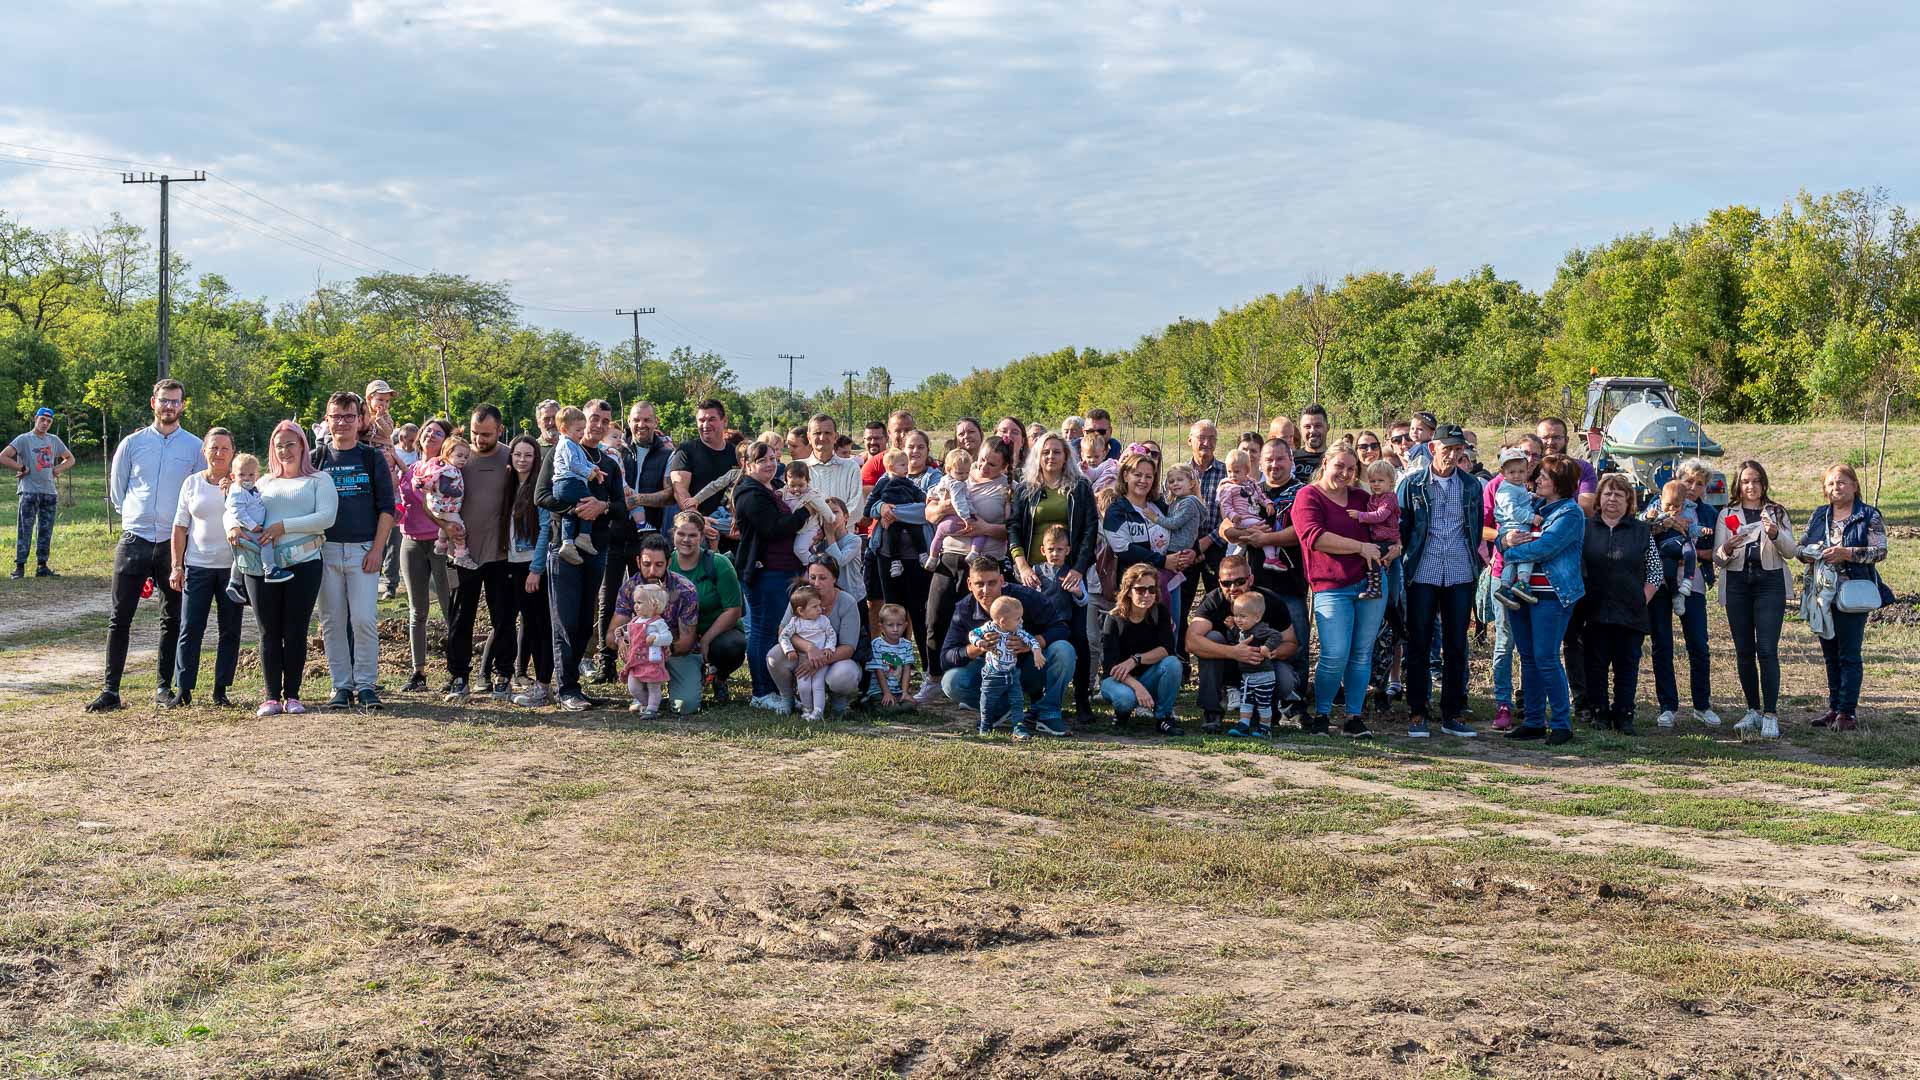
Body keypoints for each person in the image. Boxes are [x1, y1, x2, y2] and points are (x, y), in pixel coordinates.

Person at [90, 379, 204, 713]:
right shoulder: (131, 444)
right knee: (119, 617)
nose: (169, 406)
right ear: (153, 402)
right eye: (164, 400)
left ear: (183, 405)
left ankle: (163, 688)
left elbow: (198, 492)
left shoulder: (195, 447)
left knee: (172, 618)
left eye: (175, 401)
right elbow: (117, 491)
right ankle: (110, 690)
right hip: (134, 540)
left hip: (173, 543)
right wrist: (136, 517)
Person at [1291, 446, 1395, 738]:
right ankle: (1323, 713)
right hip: (1331, 587)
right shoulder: (1308, 496)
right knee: (1335, 653)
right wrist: (1360, 547)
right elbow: (1315, 538)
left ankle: (1353, 716)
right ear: (1325, 463)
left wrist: (1395, 546)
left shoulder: (1361, 497)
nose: (1345, 473)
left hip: (1371, 581)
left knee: (1361, 653)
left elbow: (1386, 525)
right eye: (1340, 466)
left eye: (1351, 469)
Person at [533, 400, 627, 712]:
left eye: (605, 421)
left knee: (586, 622)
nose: (598, 425)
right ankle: (566, 689)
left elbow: (621, 508)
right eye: (593, 419)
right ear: (581, 421)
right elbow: (541, 496)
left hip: (596, 548)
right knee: (566, 621)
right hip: (563, 548)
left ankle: (575, 686)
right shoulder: (560, 452)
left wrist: (603, 507)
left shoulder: (609, 463)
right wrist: (575, 509)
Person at [1394, 424, 1483, 738]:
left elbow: (1475, 528)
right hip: (1423, 571)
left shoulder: (1471, 486)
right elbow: (1403, 529)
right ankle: (1418, 711)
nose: (1453, 455)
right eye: (1447, 449)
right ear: (1433, 449)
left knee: (1456, 644)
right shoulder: (1412, 485)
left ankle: (1452, 712)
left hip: (1459, 572)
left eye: (1458, 450)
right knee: (1418, 642)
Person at [243, 421, 337, 717]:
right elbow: (237, 506)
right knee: (268, 630)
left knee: (296, 629)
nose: (285, 451)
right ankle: (271, 696)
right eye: (279, 445)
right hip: (263, 566)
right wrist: (232, 526)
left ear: (303, 446)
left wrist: (284, 526)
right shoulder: (263, 483)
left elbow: (326, 517)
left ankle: (293, 695)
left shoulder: (319, 480)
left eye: (290, 444)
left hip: (304, 563)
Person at [310, 391, 397, 711]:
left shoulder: (371, 457)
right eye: (336, 416)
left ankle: (366, 685)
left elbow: (387, 509)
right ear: (327, 420)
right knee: (332, 622)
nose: (342, 422)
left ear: (360, 420)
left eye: (349, 416)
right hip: (326, 550)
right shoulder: (316, 458)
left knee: (363, 619)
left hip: (363, 551)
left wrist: (377, 550)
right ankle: (341, 686)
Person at [1495, 454, 1587, 744]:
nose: (1537, 480)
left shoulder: (1570, 513)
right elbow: (1502, 533)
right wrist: (1504, 541)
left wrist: (1508, 551)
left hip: (1551, 595)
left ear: (1559, 482)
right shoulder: (1533, 506)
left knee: (1546, 657)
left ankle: (1561, 724)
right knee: (1528, 658)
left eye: (1544, 476)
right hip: (1521, 593)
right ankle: (1534, 721)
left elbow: (1545, 548)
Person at [1219, 439, 1310, 720]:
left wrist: (1266, 539)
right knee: (1252, 642)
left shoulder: (1302, 492)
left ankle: (1295, 703)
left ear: (1291, 460)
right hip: (1255, 586)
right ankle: (1258, 701)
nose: (1274, 465)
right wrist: (1241, 535)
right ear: (1259, 462)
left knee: (1295, 644)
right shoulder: (1249, 488)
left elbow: (1301, 531)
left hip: (1290, 583)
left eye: (1280, 459)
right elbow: (1225, 525)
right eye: (1268, 460)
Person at [1008, 433, 1096, 718]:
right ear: (1037, 455)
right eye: (1045, 451)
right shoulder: (1026, 488)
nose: (1051, 457)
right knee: (1034, 632)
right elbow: (1013, 527)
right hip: (1034, 575)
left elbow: (1089, 530)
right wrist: (1021, 565)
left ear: (1066, 456)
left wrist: (1078, 568)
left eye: (1057, 452)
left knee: (1078, 635)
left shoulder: (1079, 487)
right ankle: (1037, 697)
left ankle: (1081, 699)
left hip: (1069, 573)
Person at [939, 555, 1073, 737]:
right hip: (992, 673)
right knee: (951, 682)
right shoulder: (964, 609)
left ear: (1002, 581)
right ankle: (1000, 709)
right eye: (979, 584)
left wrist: (1031, 643)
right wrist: (979, 647)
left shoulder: (1026, 597)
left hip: (1029, 668)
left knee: (1064, 650)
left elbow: (1061, 628)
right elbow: (946, 657)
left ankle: (1048, 713)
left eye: (992, 583)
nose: (986, 590)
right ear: (969, 584)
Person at [1799, 463, 1889, 733]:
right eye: (1830, 484)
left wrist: (1847, 553)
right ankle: (1834, 708)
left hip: (1853, 592)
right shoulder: (1819, 515)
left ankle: (1847, 712)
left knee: (1849, 654)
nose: (1835, 488)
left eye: (1841, 482)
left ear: (1854, 485)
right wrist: (1809, 553)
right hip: (1821, 594)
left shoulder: (1868, 515)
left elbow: (1880, 551)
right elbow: (1800, 547)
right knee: (1830, 654)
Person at [1712, 461, 1796, 738]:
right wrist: (1727, 547)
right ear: (1738, 484)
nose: (1751, 486)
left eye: (1756, 480)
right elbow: (1718, 559)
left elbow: (1791, 551)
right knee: (1744, 651)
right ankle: (1753, 710)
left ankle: (1771, 714)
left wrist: (1774, 533)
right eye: (1746, 481)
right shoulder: (1726, 513)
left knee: (1767, 649)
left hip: (1769, 582)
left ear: (1764, 483)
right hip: (1737, 584)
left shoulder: (1776, 512)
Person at [1579, 473, 1664, 736]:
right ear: (1599, 499)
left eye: (1619, 494)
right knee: (1595, 666)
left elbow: (1655, 571)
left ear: (1629, 501)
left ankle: (1624, 714)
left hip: (1631, 613)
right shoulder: (1584, 529)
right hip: (1593, 610)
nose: (1612, 499)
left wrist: (1642, 598)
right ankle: (1599, 713)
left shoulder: (1641, 531)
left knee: (1627, 667)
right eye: (1607, 493)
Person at [734, 441, 817, 708]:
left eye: (773, 458)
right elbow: (774, 528)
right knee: (764, 630)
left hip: (785, 570)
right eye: (762, 460)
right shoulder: (751, 494)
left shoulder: (773, 488)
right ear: (748, 465)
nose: (770, 464)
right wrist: (806, 512)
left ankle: (780, 688)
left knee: (777, 630)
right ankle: (761, 692)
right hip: (766, 573)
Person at [165, 427, 243, 708]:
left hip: (232, 569)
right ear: (204, 451)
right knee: (190, 628)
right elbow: (179, 527)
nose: (219, 453)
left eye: (224, 448)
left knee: (230, 630)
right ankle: (183, 689)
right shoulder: (191, 484)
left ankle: (221, 690)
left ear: (232, 452)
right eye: (213, 448)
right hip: (197, 567)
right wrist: (177, 565)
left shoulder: (241, 484)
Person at [924, 437, 1013, 684]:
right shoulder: (958, 473)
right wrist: (945, 508)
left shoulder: (1007, 488)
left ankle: (969, 681)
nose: (983, 467)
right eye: (981, 460)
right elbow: (929, 513)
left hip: (983, 562)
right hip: (949, 555)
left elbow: (1013, 530)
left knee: (972, 624)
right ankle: (933, 676)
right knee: (935, 617)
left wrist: (985, 528)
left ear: (1004, 466)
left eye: (992, 465)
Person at [477, 436, 554, 704]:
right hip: (508, 563)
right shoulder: (508, 485)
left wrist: (536, 569)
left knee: (538, 626)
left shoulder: (538, 487)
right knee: (505, 621)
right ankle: (496, 675)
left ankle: (543, 684)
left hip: (530, 564)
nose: (522, 460)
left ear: (536, 458)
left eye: (528, 455)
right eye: (517, 454)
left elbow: (545, 529)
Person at [1185, 553, 1299, 732]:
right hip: (1227, 665)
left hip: (1260, 665)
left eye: (1239, 582)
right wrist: (1234, 652)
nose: (1233, 588)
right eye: (1226, 583)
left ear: (1250, 579)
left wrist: (1267, 651)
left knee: (1286, 679)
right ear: (1219, 582)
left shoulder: (1269, 601)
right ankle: (1212, 711)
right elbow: (1191, 642)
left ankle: (1265, 711)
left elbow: (1291, 643)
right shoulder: (1213, 600)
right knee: (1211, 638)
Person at [868, 430, 944, 696]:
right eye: (911, 447)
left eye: (921, 447)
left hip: (918, 559)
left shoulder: (933, 478)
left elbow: (928, 512)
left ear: (927, 450)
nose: (915, 452)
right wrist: (881, 508)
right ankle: (893, 677)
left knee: (921, 616)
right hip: (888, 558)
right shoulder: (886, 477)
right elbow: (872, 507)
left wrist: (892, 511)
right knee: (892, 615)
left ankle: (930, 674)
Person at [663, 512, 746, 709]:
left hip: (715, 632)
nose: (686, 540)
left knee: (733, 646)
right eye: (681, 534)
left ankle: (719, 676)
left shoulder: (718, 563)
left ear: (701, 536)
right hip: (678, 635)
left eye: (692, 535)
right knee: (685, 704)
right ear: (673, 534)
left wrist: (706, 640)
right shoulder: (665, 563)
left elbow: (734, 610)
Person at [396, 419, 453, 693]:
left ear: (446, 440)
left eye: (438, 433)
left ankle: (457, 671)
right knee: (417, 611)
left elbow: (428, 499)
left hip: (439, 542)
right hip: (411, 541)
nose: (431, 435)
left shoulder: (447, 468)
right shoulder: (411, 468)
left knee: (449, 608)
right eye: (428, 430)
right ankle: (418, 672)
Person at [767, 556, 864, 715]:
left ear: (834, 578)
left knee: (845, 674)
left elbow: (848, 648)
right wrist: (809, 647)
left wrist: (816, 661)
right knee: (774, 656)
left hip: (835, 658)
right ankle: (788, 699)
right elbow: (782, 631)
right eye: (812, 577)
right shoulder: (802, 595)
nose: (816, 583)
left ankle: (839, 700)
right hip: (802, 655)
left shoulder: (847, 602)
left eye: (822, 578)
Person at [4, 406, 73, 578]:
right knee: (25, 529)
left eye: (49, 421)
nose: (45, 423)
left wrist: (58, 469)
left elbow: (70, 458)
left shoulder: (54, 440)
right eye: (42, 419)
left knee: (45, 530)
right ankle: (20, 567)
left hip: (49, 492)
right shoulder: (24, 439)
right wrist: (21, 467)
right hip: (29, 491)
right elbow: (3, 456)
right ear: (36, 419)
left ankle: (42, 566)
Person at [669, 399, 740, 543]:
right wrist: (699, 520)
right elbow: (679, 490)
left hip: (731, 529)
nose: (706, 425)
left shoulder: (736, 454)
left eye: (711, 419)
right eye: (701, 420)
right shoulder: (686, 451)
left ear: (724, 421)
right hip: (697, 534)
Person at [973, 594, 1044, 738]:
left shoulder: (1017, 631)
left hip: (1012, 673)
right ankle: (986, 725)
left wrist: (1037, 652)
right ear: (1003, 621)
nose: (1021, 621)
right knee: (987, 701)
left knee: (1017, 701)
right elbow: (973, 634)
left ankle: (1018, 727)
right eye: (1018, 619)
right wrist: (980, 642)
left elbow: (1031, 640)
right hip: (993, 674)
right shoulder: (989, 628)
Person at [1222, 591, 1290, 738]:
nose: (1238, 620)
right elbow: (1239, 637)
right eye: (1236, 615)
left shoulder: (1260, 629)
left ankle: (1265, 728)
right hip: (1247, 676)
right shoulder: (1244, 630)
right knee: (1246, 701)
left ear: (1257, 617)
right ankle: (1243, 725)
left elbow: (1277, 635)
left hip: (1263, 676)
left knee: (1263, 704)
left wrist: (1267, 647)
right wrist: (1232, 628)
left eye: (1242, 616)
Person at [549, 406, 605, 565]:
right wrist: (588, 473)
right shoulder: (567, 444)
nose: (582, 433)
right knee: (589, 504)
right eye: (578, 430)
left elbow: (583, 461)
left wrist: (594, 468)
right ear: (564, 429)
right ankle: (584, 536)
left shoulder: (574, 444)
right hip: (568, 483)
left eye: (583, 429)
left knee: (572, 511)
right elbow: (573, 464)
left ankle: (567, 543)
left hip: (563, 485)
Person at [1156, 462, 1207, 623]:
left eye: (1180, 480)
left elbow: (1174, 523)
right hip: (1175, 548)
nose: (1175, 484)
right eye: (1171, 481)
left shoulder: (1188, 502)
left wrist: (1154, 518)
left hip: (1177, 549)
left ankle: (1171, 621)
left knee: (1166, 584)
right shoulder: (1177, 501)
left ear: (1191, 483)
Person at [1185, 420, 1226, 604]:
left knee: (1220, 601)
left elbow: (1231, 516)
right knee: (1182, 602)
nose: (1207, 443)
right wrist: (1192, 546)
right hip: (1185, 549)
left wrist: (1208, 541)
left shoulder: (1227, 473)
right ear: (1190, 440)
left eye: (1212, 438)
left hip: (1217, 546)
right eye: (1201, 438)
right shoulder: (1179, 474)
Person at [618, 582, 674, 718]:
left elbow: (668, 638)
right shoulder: (635, 621)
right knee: (633, 687)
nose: (635, 606)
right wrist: (624, 635)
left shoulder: (658, 623)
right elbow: (634, 637)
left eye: (640, 603)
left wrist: (656, 638)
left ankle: (652, 709)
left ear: (654, 605)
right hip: (635, 661)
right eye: (635, 602)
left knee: (653, 686)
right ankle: (645, 703)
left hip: (651, 661)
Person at [1352, 460, 1400, 600]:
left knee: (1373, 557)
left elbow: (1380, 515)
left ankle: (1375, 588)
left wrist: (1360, 515)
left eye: (1380, 481)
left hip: (1386, 538)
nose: (1376, 484)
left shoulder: (1389, 498)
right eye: (1373, 481)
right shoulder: (1375, 497)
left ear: (1391, 482)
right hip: (1379, 537)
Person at [800, 413, 862, 509]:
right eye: (817, 433)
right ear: (808, 437)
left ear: (835, 437)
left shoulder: (851, 467)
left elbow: (856, 504)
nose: (822, 438)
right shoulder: (798, 468)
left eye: (827, 433)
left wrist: (838, 517)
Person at [867, 602, 920, 708]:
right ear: (882, 627)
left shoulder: (906, 645)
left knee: (910, 706)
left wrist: (905, 692)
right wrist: (887, 693)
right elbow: (878, 670)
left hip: (898, 691)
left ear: (905, 625)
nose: (895, 629)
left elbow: (906, 669)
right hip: (879, 691)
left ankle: (899, 700)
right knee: (891, 707)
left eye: (899, 625)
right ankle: (867, 704)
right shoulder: (877, 644)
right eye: (890, 625)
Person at [1294, 403, 1331, 482]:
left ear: (1328, 427)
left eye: (1318, 426)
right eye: (1307, 427)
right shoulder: (1292, 460)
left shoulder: (1334, 459)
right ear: (1300, 429)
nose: (1313, 431)